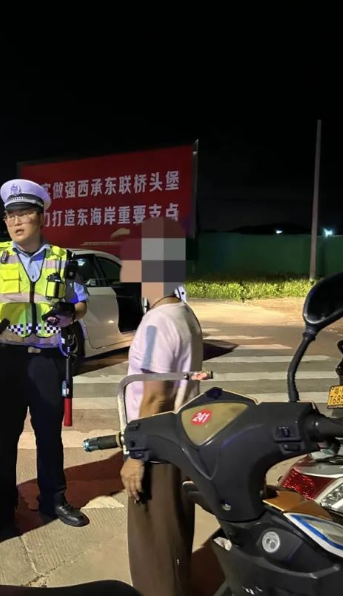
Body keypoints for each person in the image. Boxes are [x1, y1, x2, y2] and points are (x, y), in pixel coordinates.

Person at [0, 178, 90, 536]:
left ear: (41, 216)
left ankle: (53, 499)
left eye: (24, 213)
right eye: (10, 215)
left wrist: (71, 314)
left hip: (48, 360)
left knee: (49, 434)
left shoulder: (61, 259)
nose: (16, 221)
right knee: (4, 437)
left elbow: (81, 304)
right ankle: (3, 505)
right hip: (7, 359)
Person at [118, 217, 203, 596]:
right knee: (174, 539)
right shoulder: (184, 314)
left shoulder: (156, 323)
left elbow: (156, 395)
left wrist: (136, 457)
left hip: (157, 452)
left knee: (154, 551)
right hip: (180, 443)